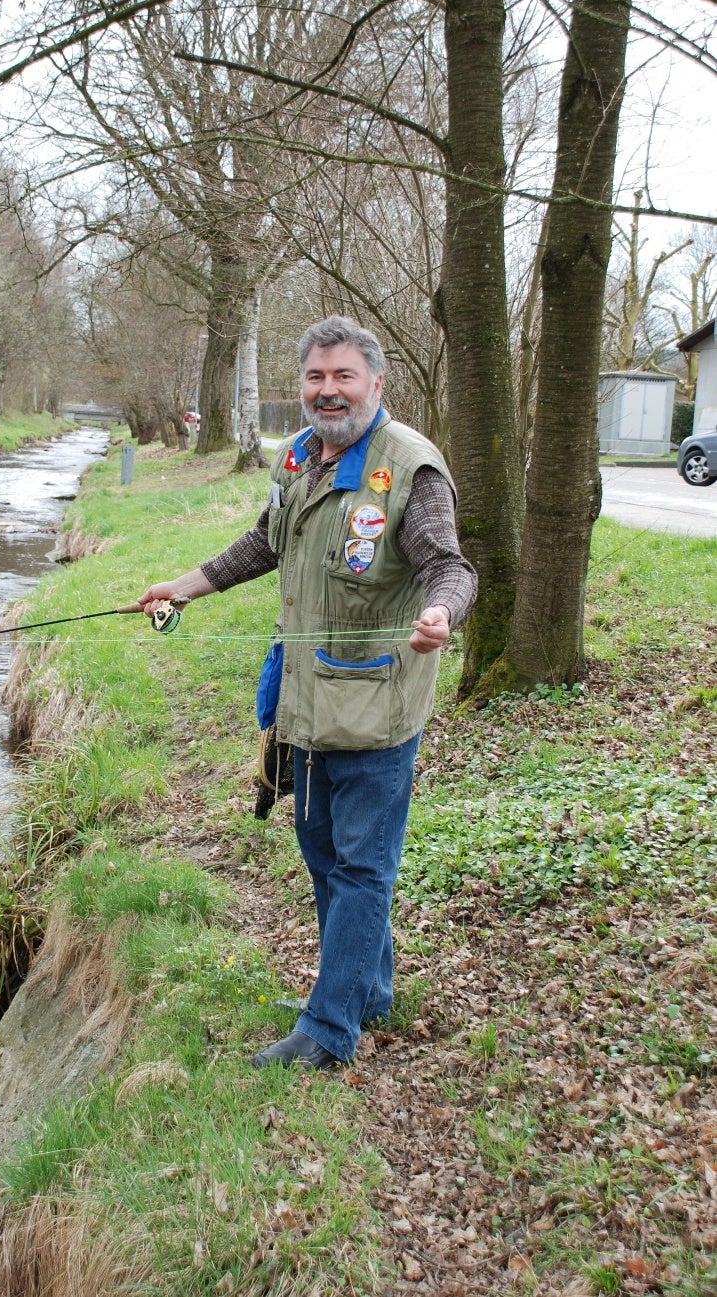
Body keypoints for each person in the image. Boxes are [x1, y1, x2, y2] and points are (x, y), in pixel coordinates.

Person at [137, 316, 477, 1070]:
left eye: (343, 377)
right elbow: (265, 539)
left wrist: (438, 614)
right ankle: (371, 987)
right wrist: (185, 587)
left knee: (360, 867)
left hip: (377, 712)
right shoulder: (297, 457)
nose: (328, 391)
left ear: (375, 383)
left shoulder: (409, 469)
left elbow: (451, 567)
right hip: (306, 702)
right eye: (316, 378)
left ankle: (328, 1030)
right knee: (322, 851)